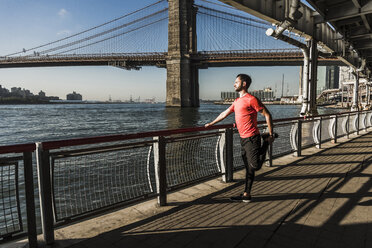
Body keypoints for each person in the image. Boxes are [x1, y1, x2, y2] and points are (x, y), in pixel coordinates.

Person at [205, 74, 276, 203]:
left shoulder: (251, 99)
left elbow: (267, 115)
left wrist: (271, 134)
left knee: (255, 166)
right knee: (249, 169)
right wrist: (211, 123)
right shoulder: (237, 101)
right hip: (243, 139)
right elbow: (224, 114)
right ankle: (246, 194)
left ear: (244, 84)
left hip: (252, 137)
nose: (234, 84)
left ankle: (266, 141)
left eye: (236, 82)